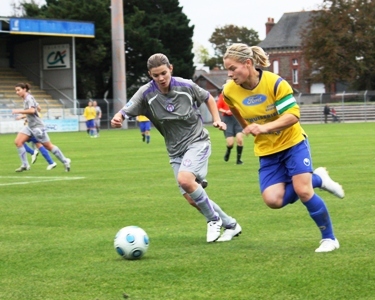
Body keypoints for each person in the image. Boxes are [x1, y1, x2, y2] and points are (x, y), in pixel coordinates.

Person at [222, 43, 344, 252]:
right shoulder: (229, 91)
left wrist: (264, 127)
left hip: (292, 143)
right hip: (268, 151)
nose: (230, 74)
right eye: (227, 69)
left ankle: (329, 239)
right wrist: (247, 128)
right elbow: (234, 109)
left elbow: (292, 116)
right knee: (273, 200)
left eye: (233, 68)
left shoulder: (276, 83)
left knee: (303, 191)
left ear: (248, 63)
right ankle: (319, 178)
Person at [111, 53, 241, 243]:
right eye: (156, 75)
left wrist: (217, 120)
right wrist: (118, 117)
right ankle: (231, 225)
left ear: (170, 68)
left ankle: (213, 220)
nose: (161, 78)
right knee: (191, 197)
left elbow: (208, 98)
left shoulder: (186, 85)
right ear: (150, 75)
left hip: (198, 142)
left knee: (185, 180)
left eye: (164, 73)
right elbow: (125, 109)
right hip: (175, 150)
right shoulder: (146, 93)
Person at [12, 83, 71, 172]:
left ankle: (65, 161)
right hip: (30, 126)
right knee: (18, 142)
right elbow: (38, 108)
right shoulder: (27, 98)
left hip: (37, 127)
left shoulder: (29, 98)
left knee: (48, 146)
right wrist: (25, 115)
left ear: (24, 89)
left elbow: (32, 110)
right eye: (16, 90)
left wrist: (19, 111)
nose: (17, 92)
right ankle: (25, 165)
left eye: (18, 90)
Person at [217, 87, 244, 164]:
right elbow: (219, 107)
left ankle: (238, 160)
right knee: (230, 143)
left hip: (237, 118)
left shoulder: (238, 95)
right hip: (227, 120)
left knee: (239, 139)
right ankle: (228, 150)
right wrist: (226, 111)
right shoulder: (222, 96)